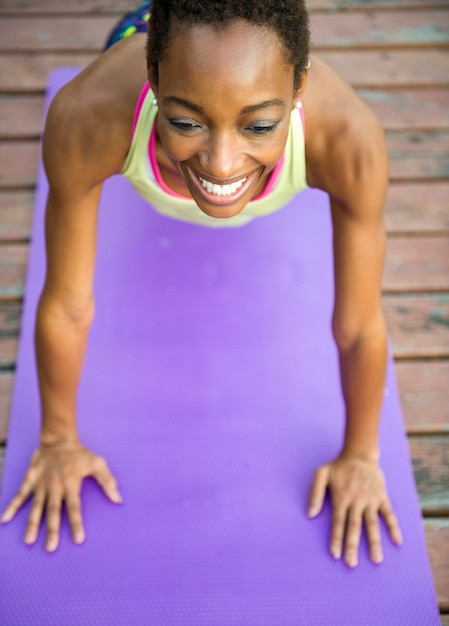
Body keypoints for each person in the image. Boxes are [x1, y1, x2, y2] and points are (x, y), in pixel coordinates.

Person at [0, 0, 402, 567]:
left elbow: (359, 326)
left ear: (300, 87)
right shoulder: (88, 117)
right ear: (153, 77)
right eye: (186, 121)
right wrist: (58, 439)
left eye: (259, 125)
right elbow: (66, 305)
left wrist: (362, 454)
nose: (219, 162)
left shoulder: (349, 141)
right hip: (141, 31)